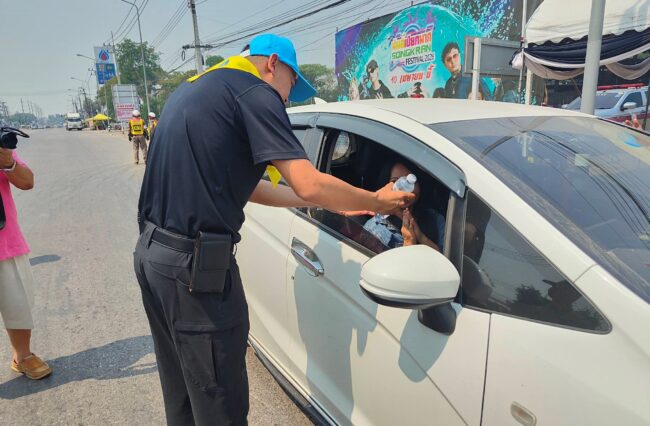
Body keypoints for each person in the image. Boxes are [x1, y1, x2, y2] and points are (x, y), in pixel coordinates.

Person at [134, 33, 414, 426]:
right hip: (194, 276)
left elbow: (250, 188)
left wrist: (320, 202)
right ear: (272, 65)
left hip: (154, 261)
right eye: (290, 85)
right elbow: (309, 182)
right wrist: (377, 201)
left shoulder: (195, 89)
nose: (286, 100)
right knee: (220, 408)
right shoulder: (255, 92)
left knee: (183, 398)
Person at [0, 145, 52, 380]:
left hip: (4, 240)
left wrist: (7, 162)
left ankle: (22, 356)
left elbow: (27, 181)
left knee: (18, 303)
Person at [350, 162, 443, 251]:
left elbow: (444, 259)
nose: (404, 189)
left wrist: (420, 236)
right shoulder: (375, 227)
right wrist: (409, 240)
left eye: (409, 182)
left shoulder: (435, 219)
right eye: (395, 181)